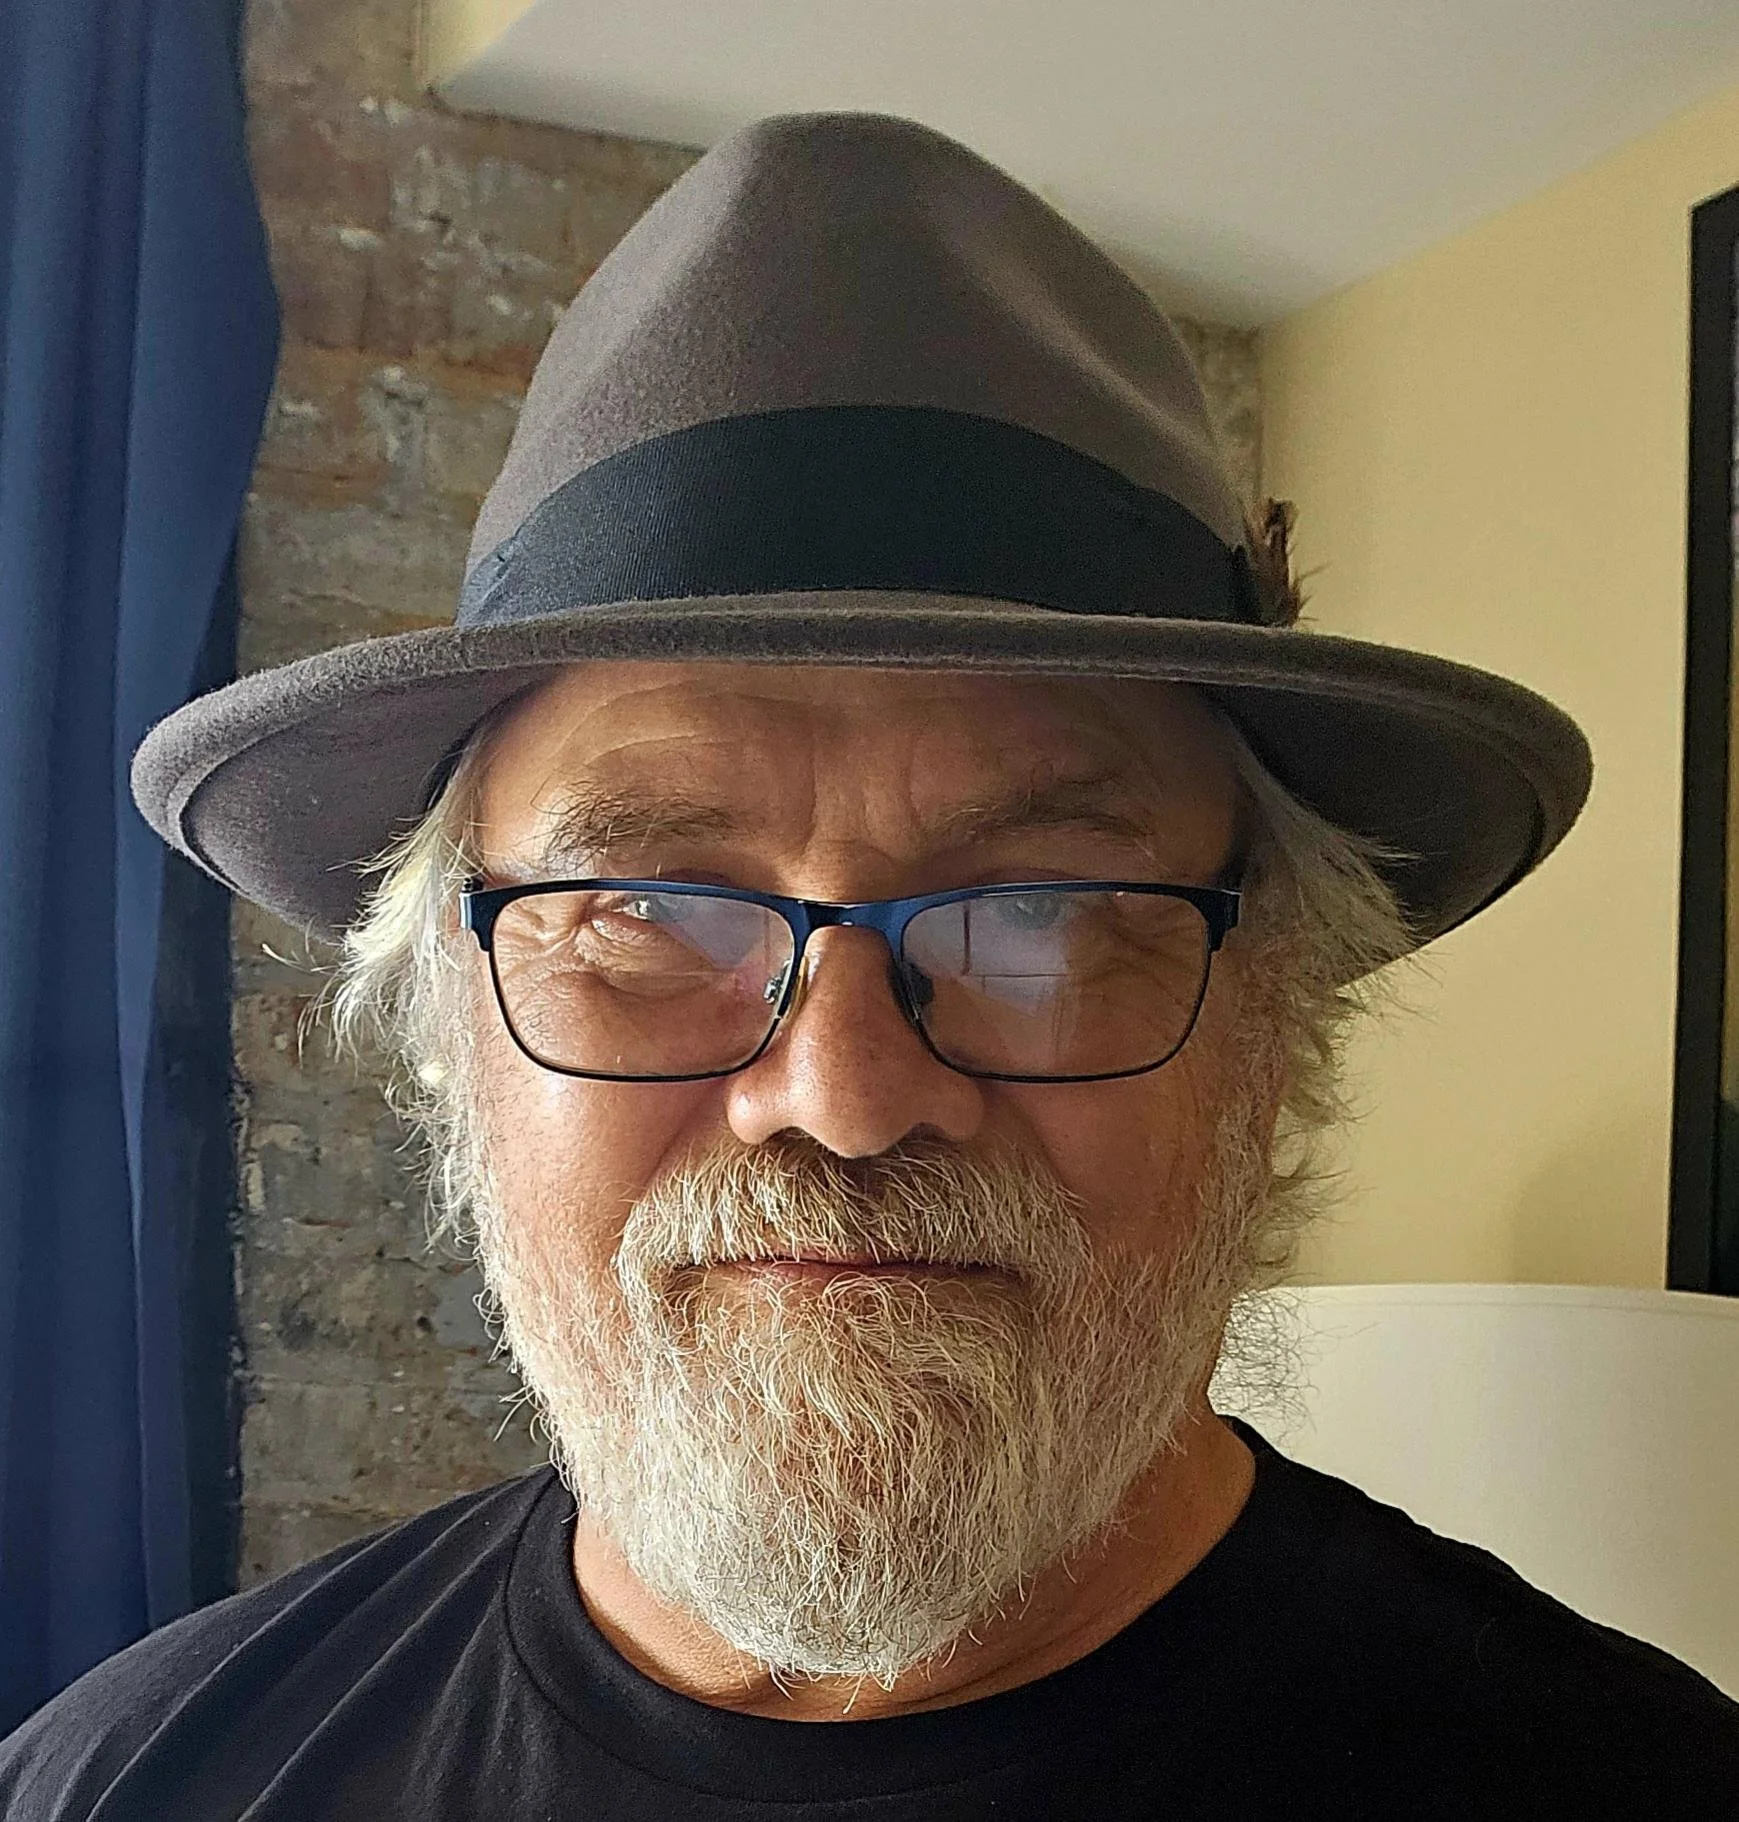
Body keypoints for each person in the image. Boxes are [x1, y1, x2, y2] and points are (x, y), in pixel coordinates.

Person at [4, 108, 1734, 1820]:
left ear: (1274, 1020)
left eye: (1042, 909)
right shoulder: (128, 1778)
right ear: (457, 1032)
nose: (839, 1096)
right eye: (647, 907)